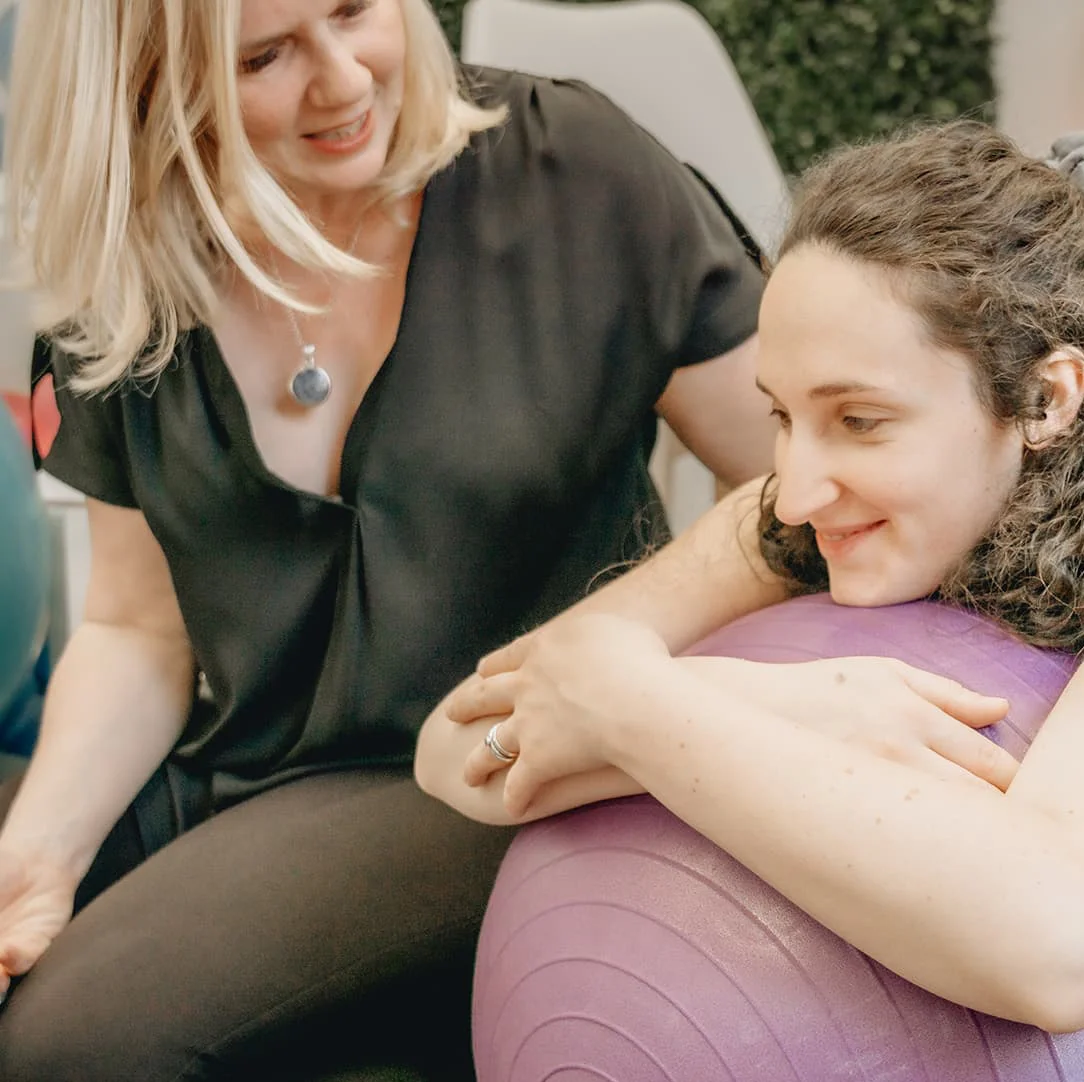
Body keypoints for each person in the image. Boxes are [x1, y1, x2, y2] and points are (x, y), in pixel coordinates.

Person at [0, 0, 776, 1079]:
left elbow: (797, 491)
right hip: (239, 770)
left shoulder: (579, 175)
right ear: (147, 90)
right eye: (264, 56)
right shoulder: (128, 277)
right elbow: (139, 628)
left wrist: (616, 638)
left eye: (356, 11)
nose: (345, 79)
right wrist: (35, 852)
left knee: (66, 1051)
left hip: (510, 778)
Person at [417, 120, 1084, 1028]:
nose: (799, 489)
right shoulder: (789, 516)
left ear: (1046, 400)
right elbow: (456, 749)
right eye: (783, 415)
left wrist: (630, 704)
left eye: (861, 420)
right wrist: (793, 706)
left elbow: (1054, 955)